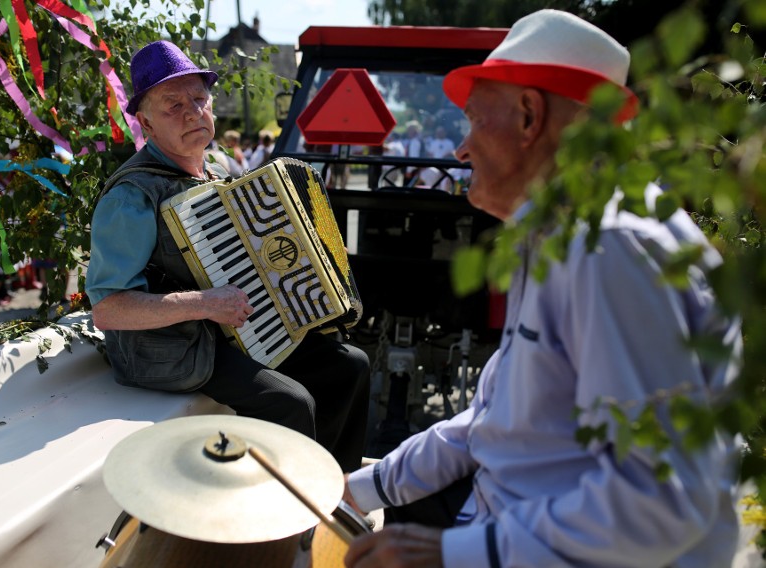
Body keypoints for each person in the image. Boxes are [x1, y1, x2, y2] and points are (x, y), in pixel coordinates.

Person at [343, 9, 741, 568]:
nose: (460, 149)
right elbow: (492, 421)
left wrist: (456, 553)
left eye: (477, 121)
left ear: (530, 116)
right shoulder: (562, 232)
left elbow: (660, 502)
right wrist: (357, 490)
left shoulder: (609, 248)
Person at [85, 40, 370, 473]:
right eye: (173, 105)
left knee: (349, 366)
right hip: (168, 348)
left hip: (223, 331)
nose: (192, 112)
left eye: (199, 99)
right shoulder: (132, 195)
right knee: (288, 402)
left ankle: (333, 494)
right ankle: (283, 528)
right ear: (145, 123)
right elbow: (107, 310)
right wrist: (205, 303)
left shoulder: (214, 172)